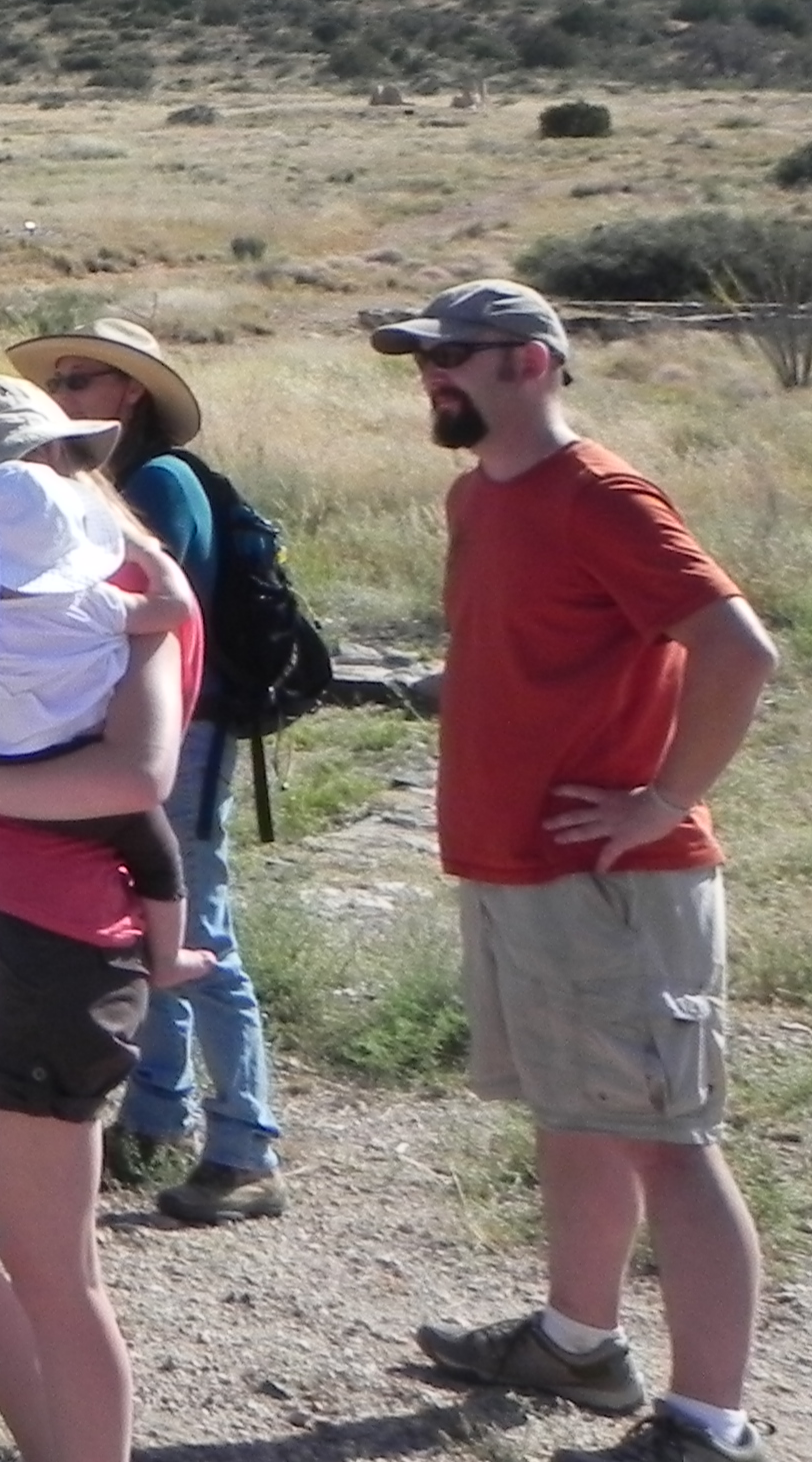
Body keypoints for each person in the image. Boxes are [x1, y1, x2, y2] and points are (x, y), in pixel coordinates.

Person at [377, 283, 779, 1462]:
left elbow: (736, 649)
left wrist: (662, 797)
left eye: (452, 355)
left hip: (618, 883)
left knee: (669, 1136)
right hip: (521, 869)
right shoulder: (478, 494)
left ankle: (710, 1425)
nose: (429, 375)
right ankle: (577, 1343)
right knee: (578, 1117)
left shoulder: (600, 496)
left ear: (534, 364)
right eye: (422, 357)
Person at [0, 423, 203, 1462]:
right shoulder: (116, 601)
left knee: (48, 1268)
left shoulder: (89, 605)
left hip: (47, 947)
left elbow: (137, 777)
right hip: (2, 930)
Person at [8, 315, 288, 1224]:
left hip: (179, 731)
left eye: (83, 381)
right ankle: (157, 1114)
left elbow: (155, 614)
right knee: (156, 920)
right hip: (155, 729)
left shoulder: (157, 483)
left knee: (202, 929)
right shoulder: (122, 480)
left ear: (131, 393)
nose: (67, 395)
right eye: (62, 381)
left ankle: (245, 1145)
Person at [0, 376, 212, 993]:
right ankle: (171, 956)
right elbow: (135, 780)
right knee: (159, 855)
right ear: (56, 453)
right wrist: (155, 556)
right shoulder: (109, 597)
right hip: (61, 927)